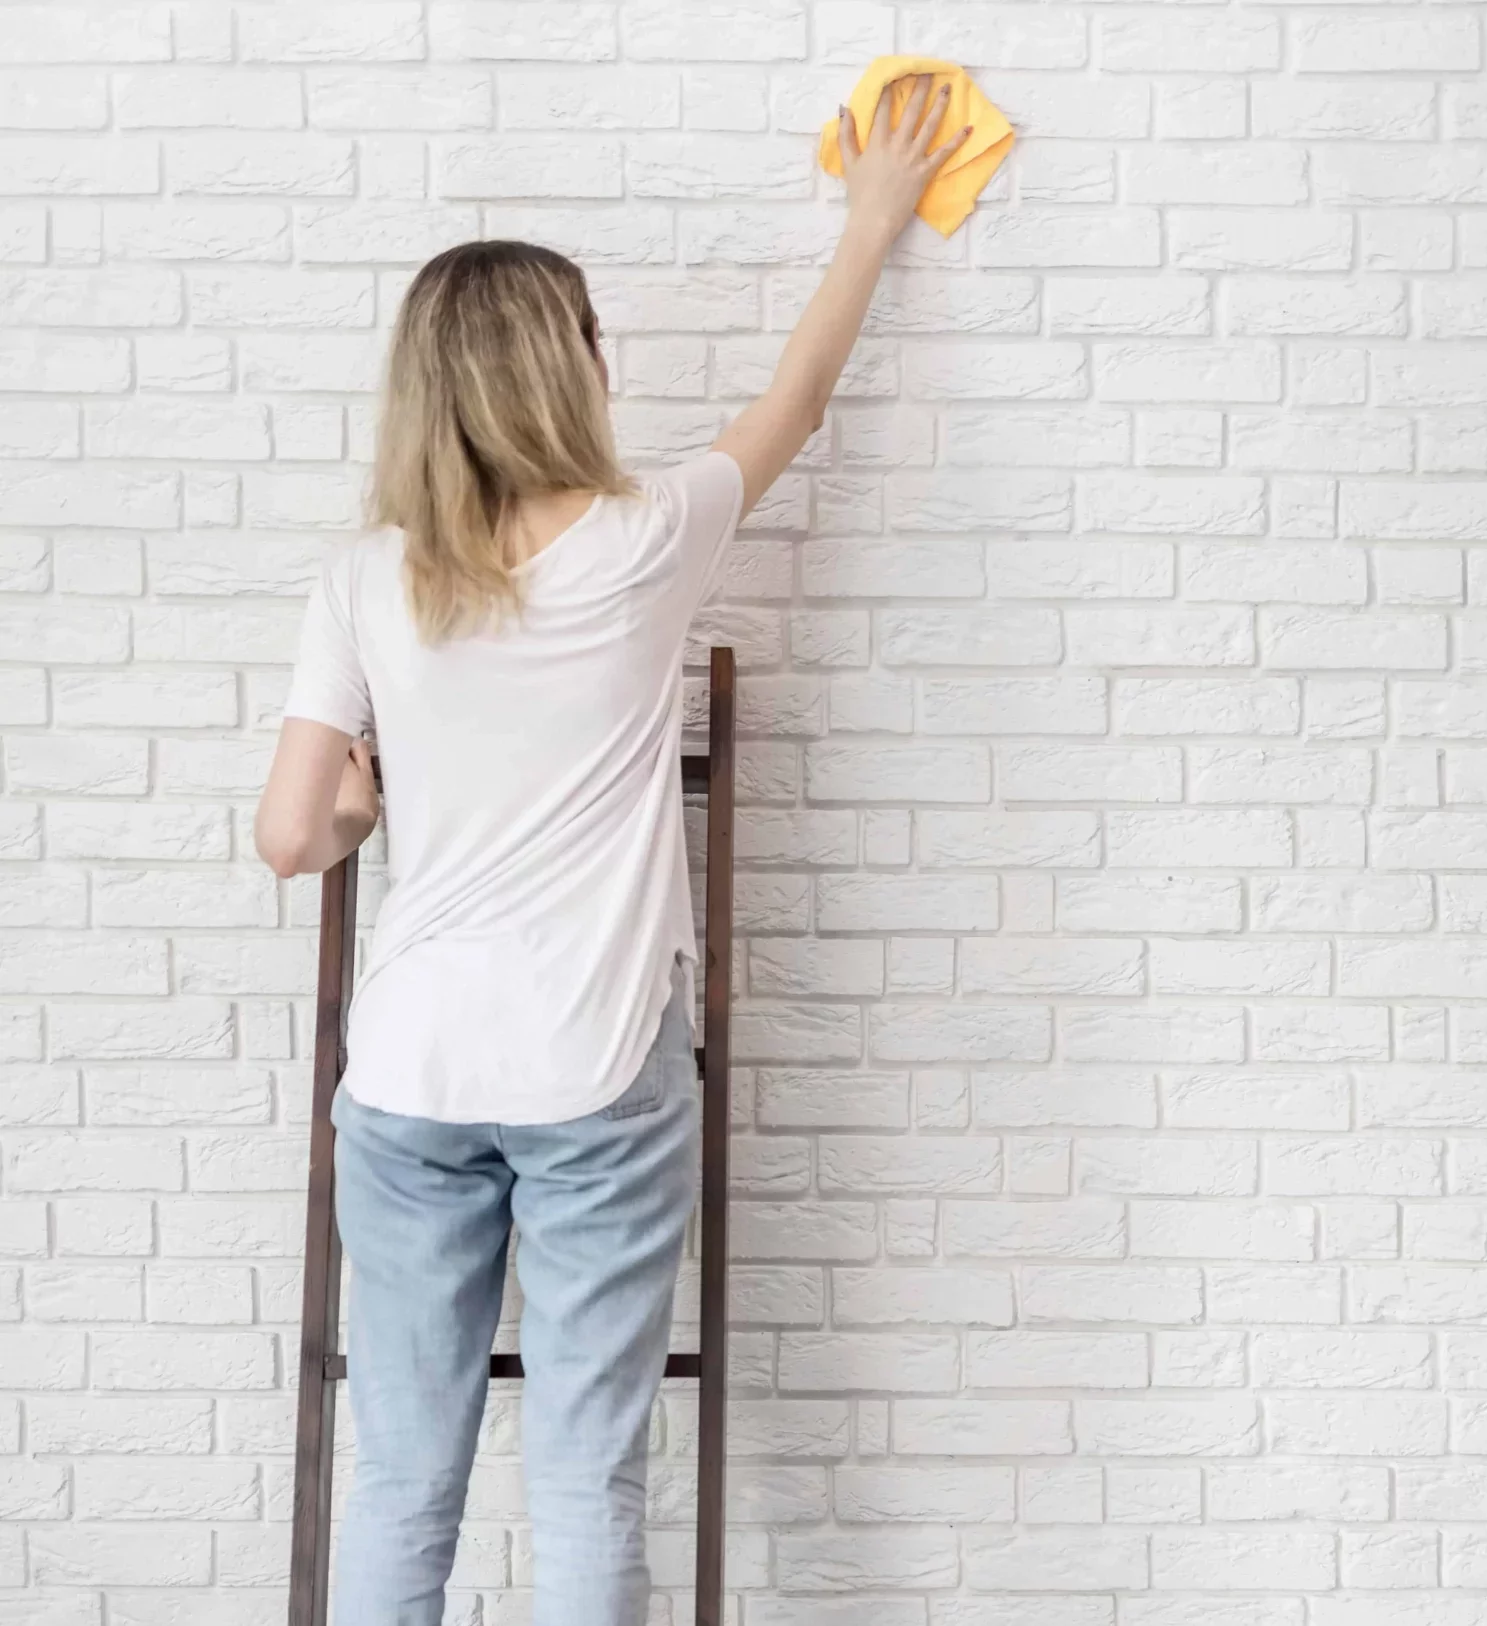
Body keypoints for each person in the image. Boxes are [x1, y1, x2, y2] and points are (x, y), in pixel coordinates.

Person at [255, 77, 971, 1626]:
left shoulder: (367, 575)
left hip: (410, 1078)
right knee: (586, 1477)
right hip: (592, 1070)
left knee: (404, 1476)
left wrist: (370, 813)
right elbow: (795, 399)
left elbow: (290, 834)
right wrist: (868, 216)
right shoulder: (647, 538)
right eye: (591, 334)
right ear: (558, 366)